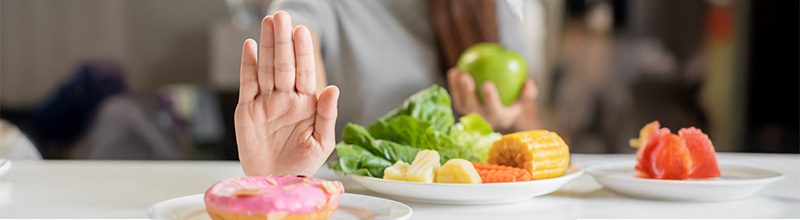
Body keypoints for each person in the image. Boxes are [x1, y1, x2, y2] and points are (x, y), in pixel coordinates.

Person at [236, 0, 550, 175]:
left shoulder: (487, 8)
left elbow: (535, 127)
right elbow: (298, 31)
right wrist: (297, 126)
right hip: (368, 205)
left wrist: (508, 118)